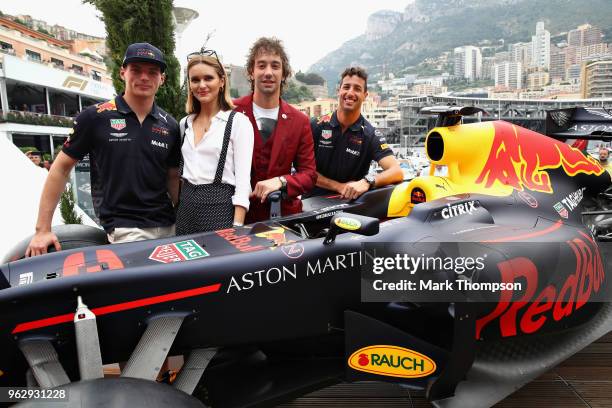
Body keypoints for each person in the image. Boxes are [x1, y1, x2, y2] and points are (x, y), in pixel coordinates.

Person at [26, 42, 181, 256]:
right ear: (122, 73)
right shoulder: (95, 117)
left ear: (162, 79)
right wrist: (42, 229)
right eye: (136, 70)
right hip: (125, 230)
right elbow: (60, 168)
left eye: (153, 72)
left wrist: (180, 215)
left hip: (168, 226)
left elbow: (173, 177)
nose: (144, 77)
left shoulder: (170, 125)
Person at [233, 37, 316, 223]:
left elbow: (309, 175)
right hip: (236, 217)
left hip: (284, 217)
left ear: (284, 73)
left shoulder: (300, 121)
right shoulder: (231, 112)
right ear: (251, 71)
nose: (268, 72)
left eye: (275, 66)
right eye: (261, 66)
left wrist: (282, 181)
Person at [175, 49, 254, 233]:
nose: (201, 85)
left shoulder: (238, 123)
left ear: (221, 81)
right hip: (185, 211)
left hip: (219, 211)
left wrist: (237, 228)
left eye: (208, 78)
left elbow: (243, 184)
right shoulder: (184, 124)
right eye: (195, 80)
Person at [309, 67, 403, 199]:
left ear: (365, 96)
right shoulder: (316, 125)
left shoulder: (370, 135)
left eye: (357, 89)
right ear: (338, 91)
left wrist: (368, 181)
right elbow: (305, 171)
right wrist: (338, 187)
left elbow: (396, 171)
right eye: (346, 87)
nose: (350, 93)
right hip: (310, 205)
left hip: (350, 208)